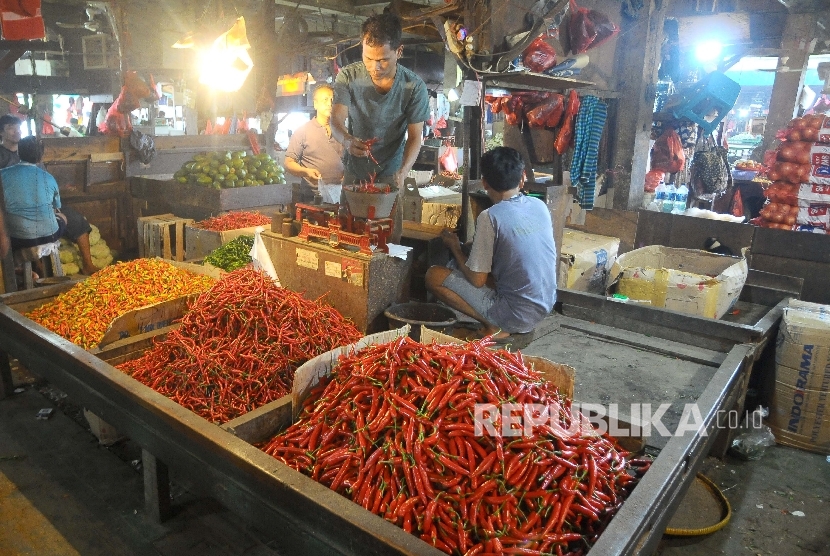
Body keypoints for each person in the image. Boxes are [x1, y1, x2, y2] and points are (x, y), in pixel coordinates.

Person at [425, 147, 557, 342]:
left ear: (484, 182)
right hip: (544, 307)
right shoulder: (539, 206)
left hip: (515, 316)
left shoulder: (490, 217)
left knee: (434, 275)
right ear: (522, 178)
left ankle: (492, 326)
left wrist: (455, 247)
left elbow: (477, 280)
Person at [331, 12, 430, 241]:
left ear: (399, 52)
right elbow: (336, 121)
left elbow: (415, 137)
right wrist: (347, 140)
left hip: (391, 175)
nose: (375, 67)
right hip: (355, 174)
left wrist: (403, 172)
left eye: (383, 59)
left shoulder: (414, 87)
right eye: (368, 58)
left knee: (388, 243)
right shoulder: (348, 77)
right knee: (348, 238)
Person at [0, 136, 97, 276]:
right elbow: (56, 206)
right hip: (49, 236)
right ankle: (85, 265)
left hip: (16, 239)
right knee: (62, 216)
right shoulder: (48, 178)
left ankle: (28, 271)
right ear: (41, 157)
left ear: (19, 153)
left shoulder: (3, 175)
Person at [284, 85, 344, 203]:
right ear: (315, 104)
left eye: (333, 100)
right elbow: (288, 163)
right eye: (325, 99)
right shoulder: (303, 131)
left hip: (339, 196)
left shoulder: (343, 132)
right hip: (312, 198)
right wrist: (306, 172)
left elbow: (350, 161)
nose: (329, 104)